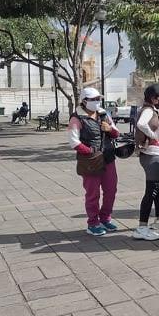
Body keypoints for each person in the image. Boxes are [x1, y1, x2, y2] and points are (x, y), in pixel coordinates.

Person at [67, 88, 121, 236]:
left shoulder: (104, 114)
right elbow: (73, 142)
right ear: (84, 101)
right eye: (93, 99)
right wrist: (90, 151)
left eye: (98, 98)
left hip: (108, 157)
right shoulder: (77, 117)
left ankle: (105, 218)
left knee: (111, 190)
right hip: (90, 161)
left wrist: (109, 129)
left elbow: (116, 133)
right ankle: (93, 223)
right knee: (93, 193)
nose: (97, 102)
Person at [133, 84, 159, 241]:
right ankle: (141, 227)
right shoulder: (148, 110)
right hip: (151, 155)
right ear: (153, 98)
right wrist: (153, 137)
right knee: (152, 189)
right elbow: (141, 124)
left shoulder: (155, 111)